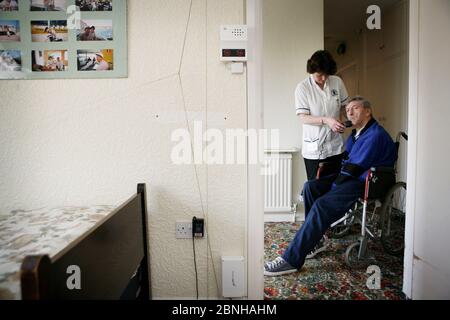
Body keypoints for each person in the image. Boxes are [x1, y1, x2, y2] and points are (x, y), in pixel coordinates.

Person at [264, 96, 398, 276]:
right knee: (311, 186)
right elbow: (346, 160)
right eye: (348, 109)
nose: (349, 112)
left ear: (368, 111)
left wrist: (333, 187)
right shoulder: (356, 134)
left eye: (355, 108)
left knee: (322, 204)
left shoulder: (374, 134)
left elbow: (354, 166)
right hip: (353, 176)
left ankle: (291, 260)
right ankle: (315, 240)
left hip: (366, 181)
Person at [295, 50, 349, 182]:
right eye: (320, 75)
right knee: (316, 188)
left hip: (336, 146)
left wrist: (347, 119)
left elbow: (344, 106)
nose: (324, 78)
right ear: (311, 70)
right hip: (314, 148)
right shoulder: (303, 88)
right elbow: (303, 117)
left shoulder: (337, 82)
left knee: (335, 188)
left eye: (327, 74)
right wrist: (326, 120)